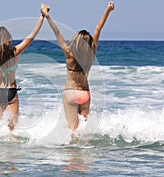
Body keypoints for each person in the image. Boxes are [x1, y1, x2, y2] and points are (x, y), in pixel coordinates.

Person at [41, 2, 115, 133]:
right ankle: (83, 153)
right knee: (83, 131)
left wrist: (47, 16)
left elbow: (57, 32)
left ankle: (73, 154)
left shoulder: (69, 54)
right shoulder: (91, 54)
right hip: (85, 94)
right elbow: (98, 29)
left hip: (71, 93)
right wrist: (107, 10)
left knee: (73, 131)